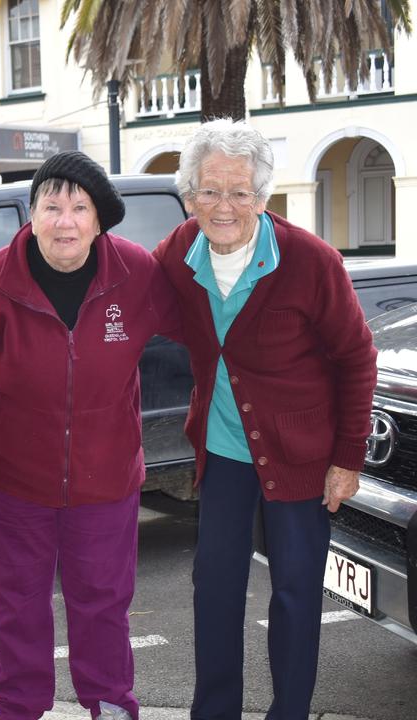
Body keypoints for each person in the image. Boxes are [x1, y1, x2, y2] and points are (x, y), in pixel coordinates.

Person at [152, 118, 377, 720]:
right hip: (224, 452)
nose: (223, 206)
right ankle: (215, 711)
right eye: (209, 191)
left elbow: (357, 358)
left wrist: (348, 458)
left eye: (239, 192)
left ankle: (290, 713)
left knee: (297, 591)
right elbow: (130, 294)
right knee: (216, 588)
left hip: (303, 455)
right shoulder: (178, 253)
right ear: (188, 193)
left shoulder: (310, 261)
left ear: (262, 195)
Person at [0, 151, 178, 720]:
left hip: (107, 478)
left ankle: (110, 706)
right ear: (31, 215)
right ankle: (20, 707)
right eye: (51, 205)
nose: (65, 221)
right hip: (12, 479)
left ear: (98, 220)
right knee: (16, 608)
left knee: (104, 606)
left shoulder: (136, 273)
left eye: (79, 207)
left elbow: (201, 330)